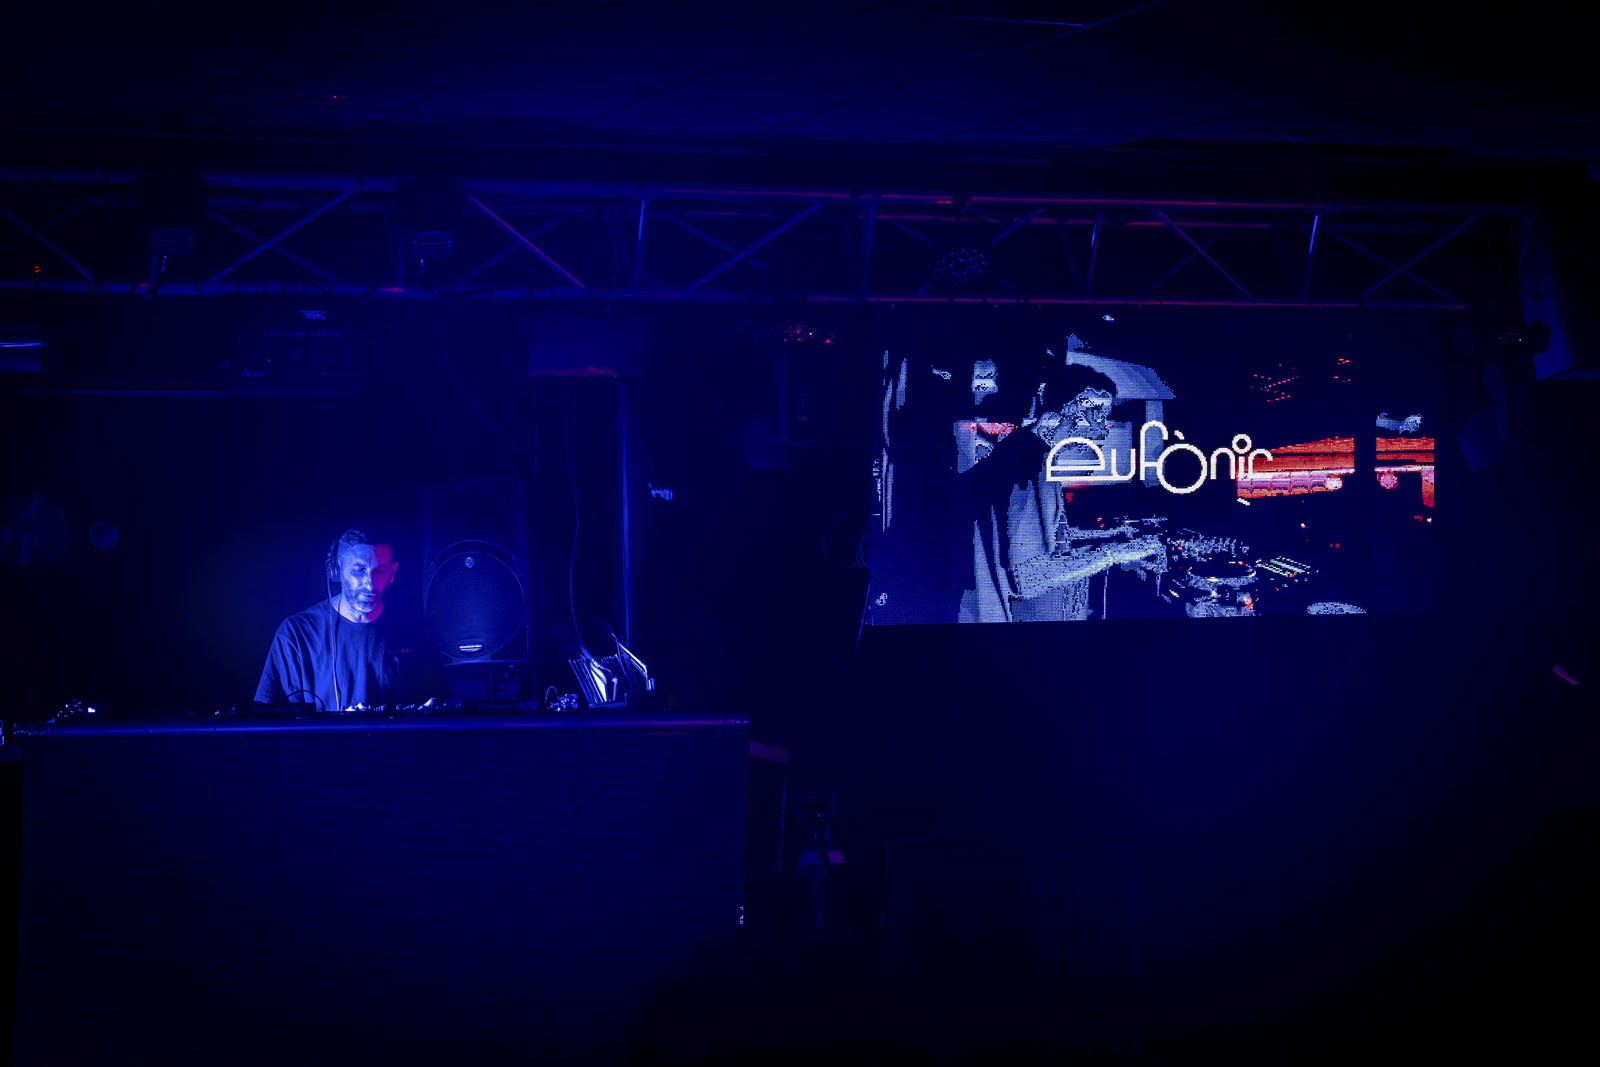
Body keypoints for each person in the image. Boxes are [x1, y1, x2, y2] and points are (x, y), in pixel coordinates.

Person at [254, 528, 403, 709]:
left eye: (380, 571)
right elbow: (266, 714)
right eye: (359, 570)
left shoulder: (413, 630)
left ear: (393, 572)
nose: (370, 584)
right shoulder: (296, 633)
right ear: (336, 570)